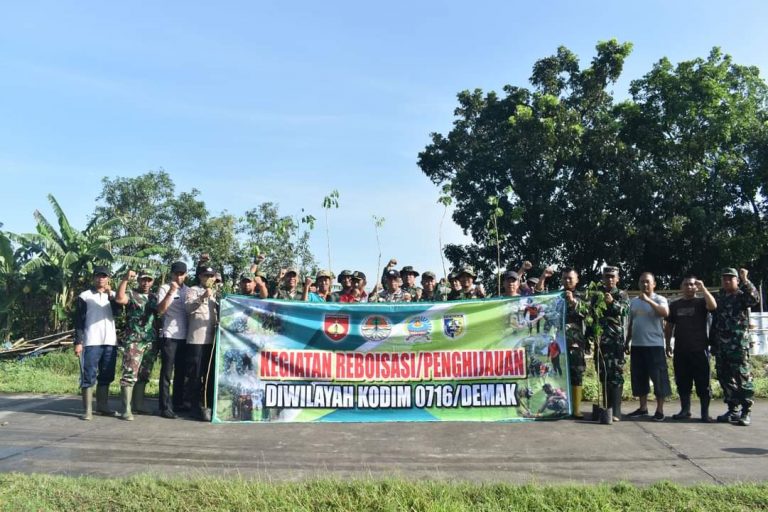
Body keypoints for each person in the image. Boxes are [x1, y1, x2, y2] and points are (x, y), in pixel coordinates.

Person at [710, 268, 760, 426]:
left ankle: (746, 411)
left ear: (737, 281)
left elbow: (754, 299)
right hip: (721, 345)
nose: (726, 281)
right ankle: (733, 409)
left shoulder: (741, 296)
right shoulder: (719, 297)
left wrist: (746, 280)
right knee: (724, 378)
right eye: (724, 279)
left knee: (742, 378)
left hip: (738, 345)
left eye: (730, 279)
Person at [665, 275, 717, 422]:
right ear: (682, 287)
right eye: (686, 284)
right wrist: (667, 343)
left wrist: (704, 288)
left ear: (696, 287)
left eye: (692, 285)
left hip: (699, 350)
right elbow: (669, 326)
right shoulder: (675, 305)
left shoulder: (701, 302)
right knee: (682, 382)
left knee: (703, 384)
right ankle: (685, 410)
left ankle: (705, 414)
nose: (689, 287)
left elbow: (713, 306)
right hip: (681, 351)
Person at [73, 265, 121, 420]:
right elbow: (78, 320)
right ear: (94, 278)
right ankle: (87, 410)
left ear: (109, 278)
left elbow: (118, 313)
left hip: (110, 341)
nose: (101, 279)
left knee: (107, 374)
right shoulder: (85, 296)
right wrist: (78, 342)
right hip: (91, 341)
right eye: (98, 276)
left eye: (104, 276)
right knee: (89, 375)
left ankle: (103, 406)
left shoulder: (114, 295)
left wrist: (111, 296)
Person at [625, 272, 671, 421]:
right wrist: (627, 341)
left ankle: (660, 410)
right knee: (639, 378)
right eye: (642, 282)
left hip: (654, 346)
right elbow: (631, 323)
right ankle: (643, 408)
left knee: (659, 378)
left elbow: (665, 313)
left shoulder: (660, 299)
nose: (644, 284)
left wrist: (648, 301)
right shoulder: (634, 302)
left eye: (647, 282)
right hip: (637, 345)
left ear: (654, 284)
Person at [114, 269, 159, 421]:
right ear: (139, 280)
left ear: (152, 281)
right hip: (134, 340)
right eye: (143, 279)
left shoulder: (154, 297)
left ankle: (138, 404)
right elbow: (120, 299)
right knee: (129, 374)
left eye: (149, 280)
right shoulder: (132, 294)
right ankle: (126, 409)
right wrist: (125, 280)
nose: (146, 282)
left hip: (150, 341)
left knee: (144, 374)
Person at [591, 266, 629, 422]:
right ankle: (606, 408)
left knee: (616, 375)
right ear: (602, 278)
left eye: (613, 276)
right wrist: (589, 337)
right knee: (603, 374)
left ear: (617, 279)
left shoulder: (622, 294)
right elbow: (592, 317)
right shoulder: (596, 295)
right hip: (601, 342)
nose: (610, 279)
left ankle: (616, 412)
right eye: (607, 276)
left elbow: (625, 312)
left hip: (615, 343)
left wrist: (612, 302)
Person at [185, 264, 219, 421]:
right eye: (206, 275)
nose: (209, 279)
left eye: (211, 276)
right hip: (196, 340)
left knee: (210, 375)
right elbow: (188, 308)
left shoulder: (217, 294)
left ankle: (209, 405)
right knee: (195, 375)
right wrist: (203, 296)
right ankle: (194, 407)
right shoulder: (193, 290)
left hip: (212, 340)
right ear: (200, 277)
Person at [156, 261, 189, 419]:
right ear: (171, 274)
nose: (178, 276)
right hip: (169, 336)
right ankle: (164, 407)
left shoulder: (189, 291)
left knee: (181, 373)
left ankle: (177, 403)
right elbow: (161, 310)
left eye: (181, 273)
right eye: (176, 273)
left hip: (185, 336)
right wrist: (171, 291)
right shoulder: (164, 288)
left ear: (186, 275)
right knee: (167, 373)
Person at [562, 268, 588, 418]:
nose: (567, 281)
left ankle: (577, 409)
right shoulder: (556, 296)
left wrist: (573, 301)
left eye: (570, 278)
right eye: (565, 278)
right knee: (560, 374)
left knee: (577, 373)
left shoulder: (582, 296)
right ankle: (563, 407)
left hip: (576, 343)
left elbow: (587, 314)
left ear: (577, 280)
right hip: (558, 344)